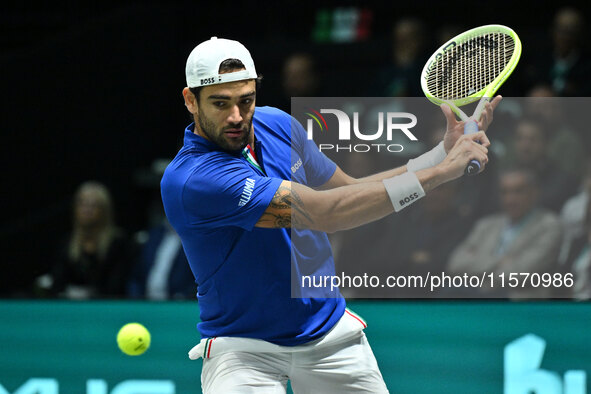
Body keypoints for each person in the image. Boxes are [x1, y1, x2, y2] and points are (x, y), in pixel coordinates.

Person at [160, 37, 498, 393]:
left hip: (329, 334)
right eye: (220, 103)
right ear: (190, 100)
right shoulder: (195, 180)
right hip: (244, 350)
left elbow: (347, 190)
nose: (236, 116)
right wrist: (443, 174)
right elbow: (328, 213)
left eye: (246, 100)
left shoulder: (276, 124)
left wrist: (439, 156)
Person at [447, 169, 562, 298]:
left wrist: (478, 266)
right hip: (473, 293)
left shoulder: (549, 225)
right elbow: (455, 263)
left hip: (516, 299)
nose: (510, 199)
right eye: (504, 192)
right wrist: (500, 261)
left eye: (518, 192)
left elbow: (520, 274)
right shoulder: (487, 224)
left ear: (534, 193)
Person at [40, 181, 133, 299]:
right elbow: (58, 282)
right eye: (82, 204)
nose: (87, 210)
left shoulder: (118, 243)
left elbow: (117, 286)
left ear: (105, 210)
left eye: (93, 205)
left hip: (105, 306)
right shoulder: (66, 242)